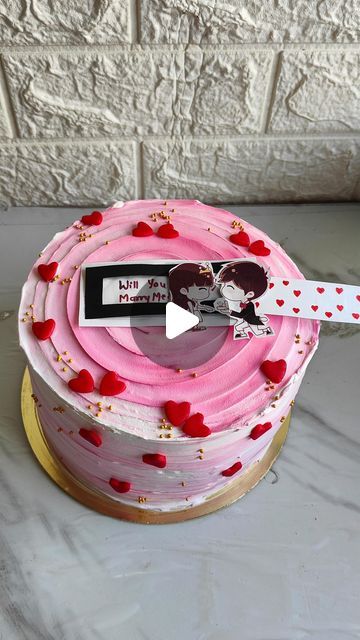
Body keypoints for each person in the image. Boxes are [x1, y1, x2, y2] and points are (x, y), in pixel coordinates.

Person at [214, 260, 273, 339]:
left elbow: (242, 315)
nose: (222, 290)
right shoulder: (239, 303)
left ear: (249, 294)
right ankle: (246, 333)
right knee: (239, 327)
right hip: (246, 321)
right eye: (224, 285)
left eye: (230, 287)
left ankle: (266, 330)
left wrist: (230, 312)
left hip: (251, 322)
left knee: (258, 332)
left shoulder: (249, 305)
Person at [168, 262, 215, 329]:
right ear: (184, 291)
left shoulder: (192, 300)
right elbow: (192, 311)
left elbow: (197, 306)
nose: (208, 293)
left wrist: (205, 307)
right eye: (202, 289)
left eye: (208, 289)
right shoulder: (188, 302)